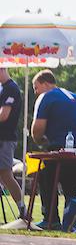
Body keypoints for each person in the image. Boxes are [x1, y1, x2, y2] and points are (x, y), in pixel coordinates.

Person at [29, 70, 76, 229]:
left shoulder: (46, 97)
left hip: (59, 146)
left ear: (45, 84)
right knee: (73, 185)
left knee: (46, 179)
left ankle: (50, 218)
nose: (36, 93)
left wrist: (40, 140)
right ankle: (72, 220)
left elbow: (37, 128)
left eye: (36, 88)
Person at [0, 68, 24, 211]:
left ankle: (22, 209)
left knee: (6, 174)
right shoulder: (4, 89)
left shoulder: (11, 89)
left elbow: (4, 115)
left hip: (5, 139)